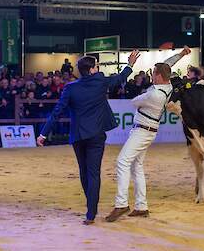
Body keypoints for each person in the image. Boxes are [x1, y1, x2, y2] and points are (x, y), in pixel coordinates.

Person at [37, 50, 140, 225]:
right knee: (93, 173)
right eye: (97, 66)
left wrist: (43, 133)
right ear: (92, 69)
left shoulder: (70, 87)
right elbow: (119, 78)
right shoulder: (99, 82)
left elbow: (57, 112)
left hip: (78, 135)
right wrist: (130, 64)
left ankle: (91, 207)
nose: (98, 68)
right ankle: (91, 212)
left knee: (84, 172)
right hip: (96, 135)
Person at [105, 46, 191, 222]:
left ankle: (121, 204)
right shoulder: (165, 84)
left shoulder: (155, 95)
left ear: (159, 76)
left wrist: (143, 94)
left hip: (142, 132)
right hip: (145, 130)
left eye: (153, 73)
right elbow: (168, 64)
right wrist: (181, 54)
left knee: (122, 161)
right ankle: (141, 206)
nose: (151, 75)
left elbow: (134, 102)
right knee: (136, 167)